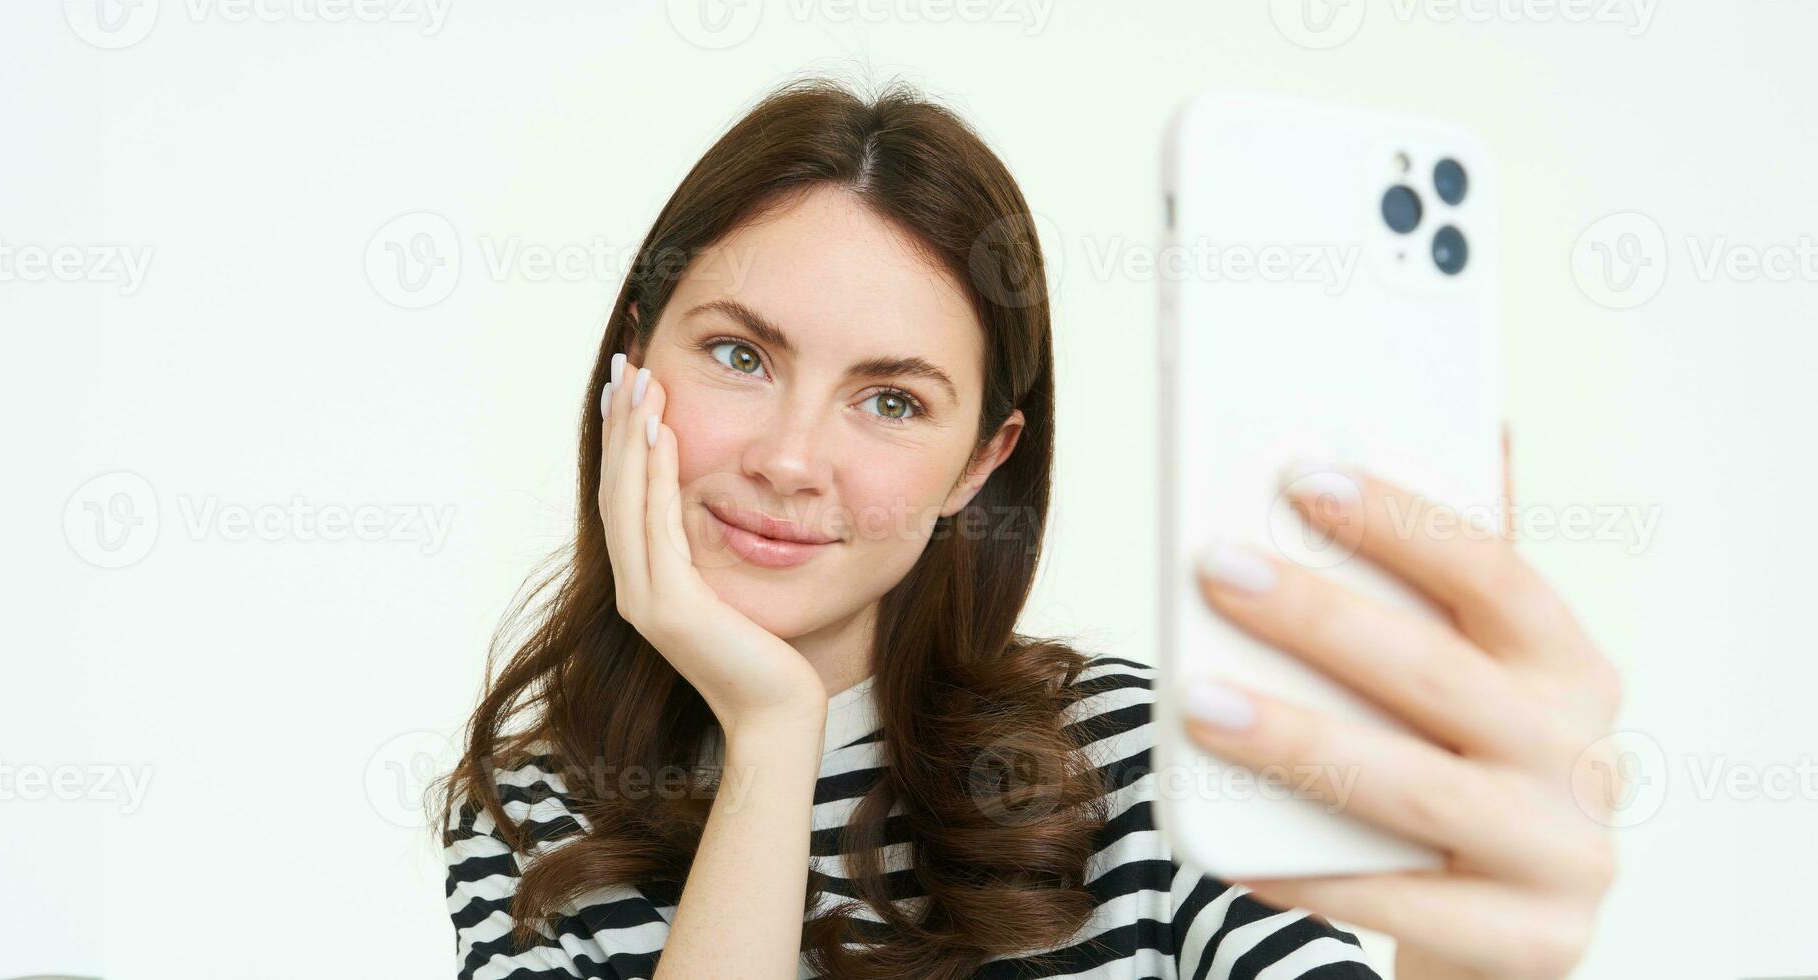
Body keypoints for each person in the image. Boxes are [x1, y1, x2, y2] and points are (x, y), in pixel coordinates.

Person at [439, 77, 1621, 980]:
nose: (790, 459)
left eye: (891, 399)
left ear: (980, 461)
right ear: (632, 360)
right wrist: (770, 727)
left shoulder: (1130, 755)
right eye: (739, 354)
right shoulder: (526, 812)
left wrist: (1478, 954)